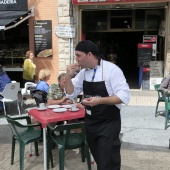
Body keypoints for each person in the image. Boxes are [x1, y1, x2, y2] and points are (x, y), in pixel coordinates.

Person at [65, 40, 130, 170]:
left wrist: (99, 101)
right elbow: (71, 94)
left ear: (89, 55)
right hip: (90, 122)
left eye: (78, 55)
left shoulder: (112, 70)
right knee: (99, 159)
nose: (76, 59)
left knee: (108, 162)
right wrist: (67, 75)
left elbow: (124, 97)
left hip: (108, 124)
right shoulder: (83, 73)